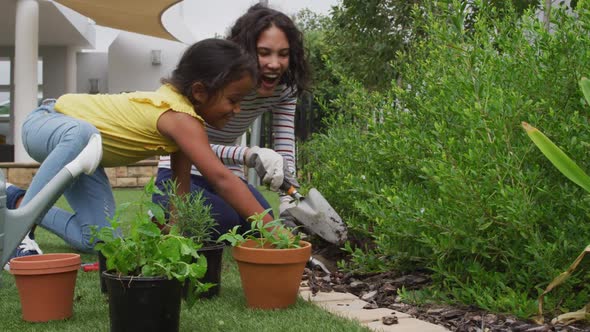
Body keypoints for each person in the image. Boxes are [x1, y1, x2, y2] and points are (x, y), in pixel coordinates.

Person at [4, 38, 275, 270]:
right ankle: (19, 233)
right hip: (48, 123)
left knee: (99, 240)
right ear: (200, 92)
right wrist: (277, 233)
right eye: (233, 100)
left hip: (84, 155)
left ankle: (15, 203)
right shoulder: (179, 117)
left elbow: (179, 194)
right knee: (83, 134)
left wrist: (171, 239)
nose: (237, 110)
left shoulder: (186, 121)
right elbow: (221, 179)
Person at [153, 4, 310, 238]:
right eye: (264, 52)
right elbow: (186, 145)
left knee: (257, 226)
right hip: (180, 170)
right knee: (222, 220)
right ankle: (157, 215)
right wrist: (247, 155)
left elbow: (285, 148)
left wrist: (289, 200)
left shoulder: (284, 90)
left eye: (283, 54)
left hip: (230, 175)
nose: (275, 64)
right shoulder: (216, 81)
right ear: (244, 50)